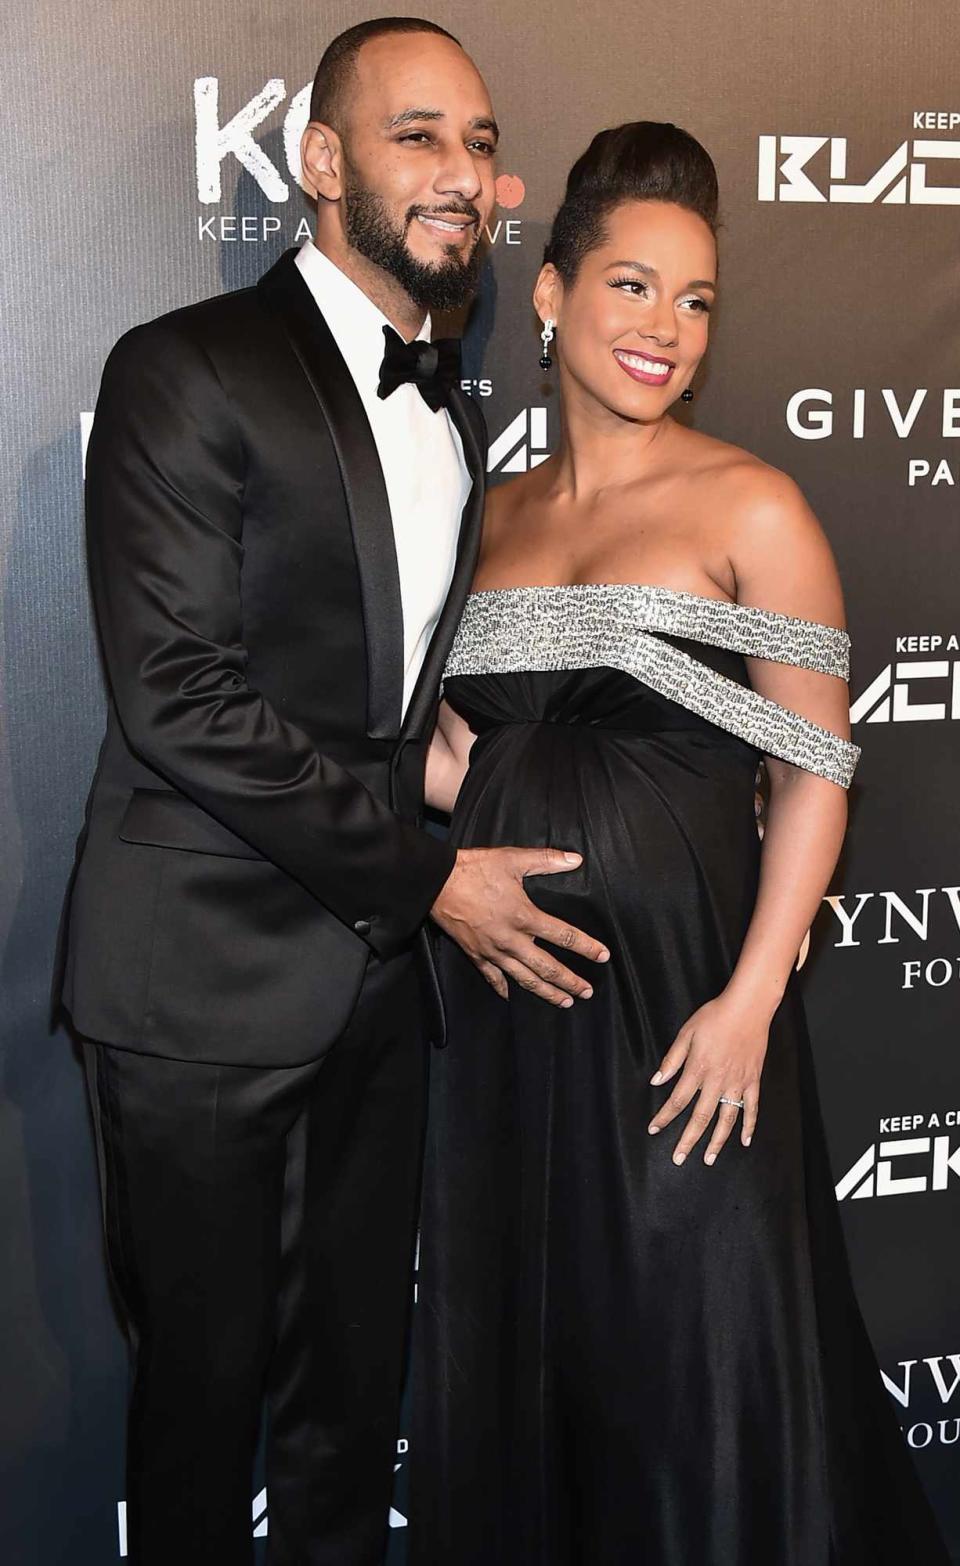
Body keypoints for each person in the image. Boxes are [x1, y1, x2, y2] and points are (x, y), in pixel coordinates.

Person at [53, 19, 608, 1566]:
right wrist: (433, 877)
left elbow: (397, 711)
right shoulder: (181, 368)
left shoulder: (457, 411)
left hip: (373, 992)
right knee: (200, 1409)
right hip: (199, 986)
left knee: (350, 1407)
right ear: (320, 162)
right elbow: (179, 694)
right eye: (417, 136)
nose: (463, 174)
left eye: (482, 143)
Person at [410, 122, 951, 1564]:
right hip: (509, 1023)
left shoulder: (750, 504)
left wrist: (753, 1005)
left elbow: (818, 769)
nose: (668, 329)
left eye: (697, 300)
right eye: (634, 287)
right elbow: (473, 759)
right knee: (538, 1364)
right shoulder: (490, 518)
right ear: (550, 294)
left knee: (700, 1369)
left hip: (685, 1037)